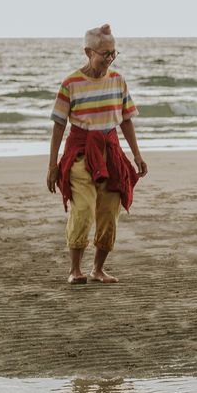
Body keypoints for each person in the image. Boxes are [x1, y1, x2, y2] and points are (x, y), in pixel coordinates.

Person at [47, 24, 149, 285]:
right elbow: (59, 125)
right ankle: (74, 270)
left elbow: (126, 120)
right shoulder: (71, 83)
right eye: (105, 53)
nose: (110, 58)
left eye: (114, 53)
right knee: (82, 209)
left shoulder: (118, 80)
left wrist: (137, 155)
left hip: (111, 152)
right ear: (88, 52)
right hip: (80, 153)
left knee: (109, 211)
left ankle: (98, 269)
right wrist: (52, 165)